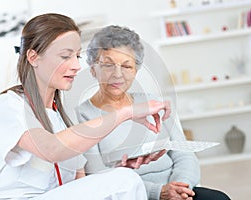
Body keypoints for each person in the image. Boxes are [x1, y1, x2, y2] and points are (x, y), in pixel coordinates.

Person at [0, 14, 172, 200]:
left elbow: (79, 182)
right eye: (65, 56)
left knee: (124, 179)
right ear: (33, 57)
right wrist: (125, 113)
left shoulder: (61, 118)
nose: (76, 66)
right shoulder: (10, 105)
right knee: (125, 181)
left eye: (77, 57)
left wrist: (119, 170)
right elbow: (51, 148)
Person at [76, 25, 231, 200]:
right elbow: (98, 175)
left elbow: (184, 154)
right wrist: (158, 192)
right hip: (133, 195)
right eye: (108, 65)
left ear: (136, 70)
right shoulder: (83, 116)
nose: (117, 74)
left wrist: (179, 188)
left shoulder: (151, 102)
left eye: (127, 66)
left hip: (177, 189)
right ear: (92, 69)